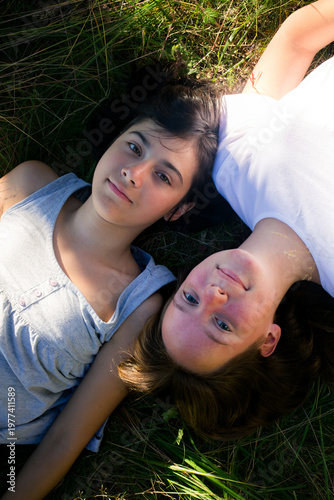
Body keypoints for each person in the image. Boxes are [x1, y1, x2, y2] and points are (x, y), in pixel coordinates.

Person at [0, 67, 223, 499]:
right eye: (134, 147)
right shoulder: (30, 184)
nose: (134, 174)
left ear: (178, 210)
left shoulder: (140, 305)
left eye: (164, 176)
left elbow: (66, 438)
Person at [118, 0, 334, 440]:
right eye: (222, 325)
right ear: (267, 341)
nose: (214, 295)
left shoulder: (232, 165)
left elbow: (296, 40)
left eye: (189, 300)